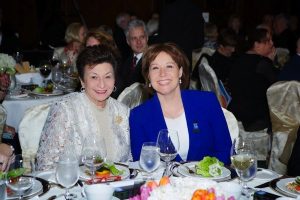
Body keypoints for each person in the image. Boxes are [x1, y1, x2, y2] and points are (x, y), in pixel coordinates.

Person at [129, 43, 232, 165]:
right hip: (163, 183)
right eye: (155, 68)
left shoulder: (207, 102)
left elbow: (225, 151)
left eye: (169, 66)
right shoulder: (139, 116)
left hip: (207, 181)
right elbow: (142, 163)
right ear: (148, 76)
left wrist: (199, 175)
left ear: (180, 72)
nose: (162, 73)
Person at [37, 45, 131, 170]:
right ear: (82, 81)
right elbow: (45, 165)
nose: (102, 84)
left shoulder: (123, 111)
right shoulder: (65, 109)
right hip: (75, 187)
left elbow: (129, 161)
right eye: (94, 77)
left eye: (108, 76)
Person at [228, 28, 278, 132]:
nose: (272, 44)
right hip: (255, 118)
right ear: (257, 44)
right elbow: (277, 88)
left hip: (235, 112)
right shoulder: (263, 63)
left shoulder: (239, 59)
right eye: (268, 41)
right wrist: (270, 62)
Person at [119, 19, 148, 91]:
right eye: (134, 38)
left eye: (142, 37)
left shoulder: (153, 59)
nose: (139, 42)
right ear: (128, 41)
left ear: (147, 38)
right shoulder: (125, 62)